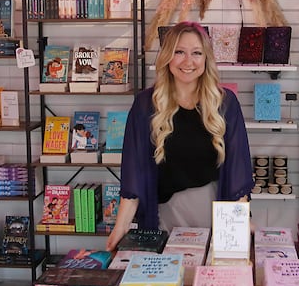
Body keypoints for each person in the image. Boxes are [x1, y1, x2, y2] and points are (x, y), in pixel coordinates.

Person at [105, 22, 254, 251]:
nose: (188, 61)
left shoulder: (225, 103)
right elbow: (134, 173)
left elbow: (238, 171)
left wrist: (240, 222)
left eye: (196, 53)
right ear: (167, 57)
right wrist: (121, 227)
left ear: (206, 59)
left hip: (215, 213)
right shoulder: (145, 105)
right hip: (164, 217)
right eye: (179, 52)